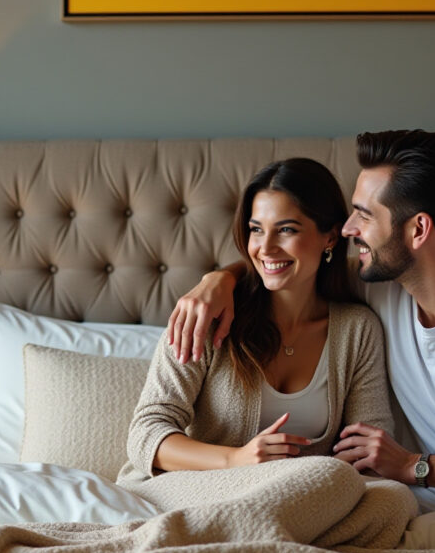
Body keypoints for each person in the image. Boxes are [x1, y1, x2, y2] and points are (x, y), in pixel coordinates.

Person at [165, 130, 435, 509]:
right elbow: (287, 264)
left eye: (365, 215)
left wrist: (414, 466)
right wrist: (219, 279)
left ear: (418, 230)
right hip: (418, 502)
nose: (349, 228)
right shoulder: (378, 282)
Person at [118, 158, 392, 485]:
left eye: (287, 229)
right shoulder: (209, 315)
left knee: (392, 499)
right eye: (256, 229)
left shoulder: (357, 330)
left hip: (300, 496)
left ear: (330, 237)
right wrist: (236, 460)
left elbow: (368, 449)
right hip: (196, 489)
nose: (265, 248)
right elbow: (146, 435)